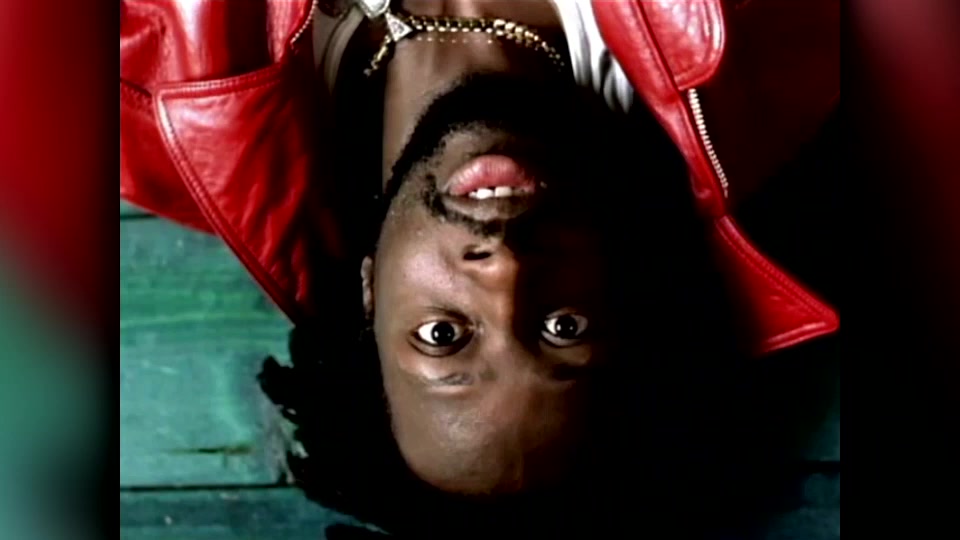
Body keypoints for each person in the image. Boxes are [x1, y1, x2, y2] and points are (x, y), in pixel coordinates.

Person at [120, 0, 839, 536]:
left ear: (369, 296)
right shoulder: (760, 35)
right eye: (563, 326)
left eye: (443, 336)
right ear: (624, 289)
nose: (505, 272)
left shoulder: (152, 104)